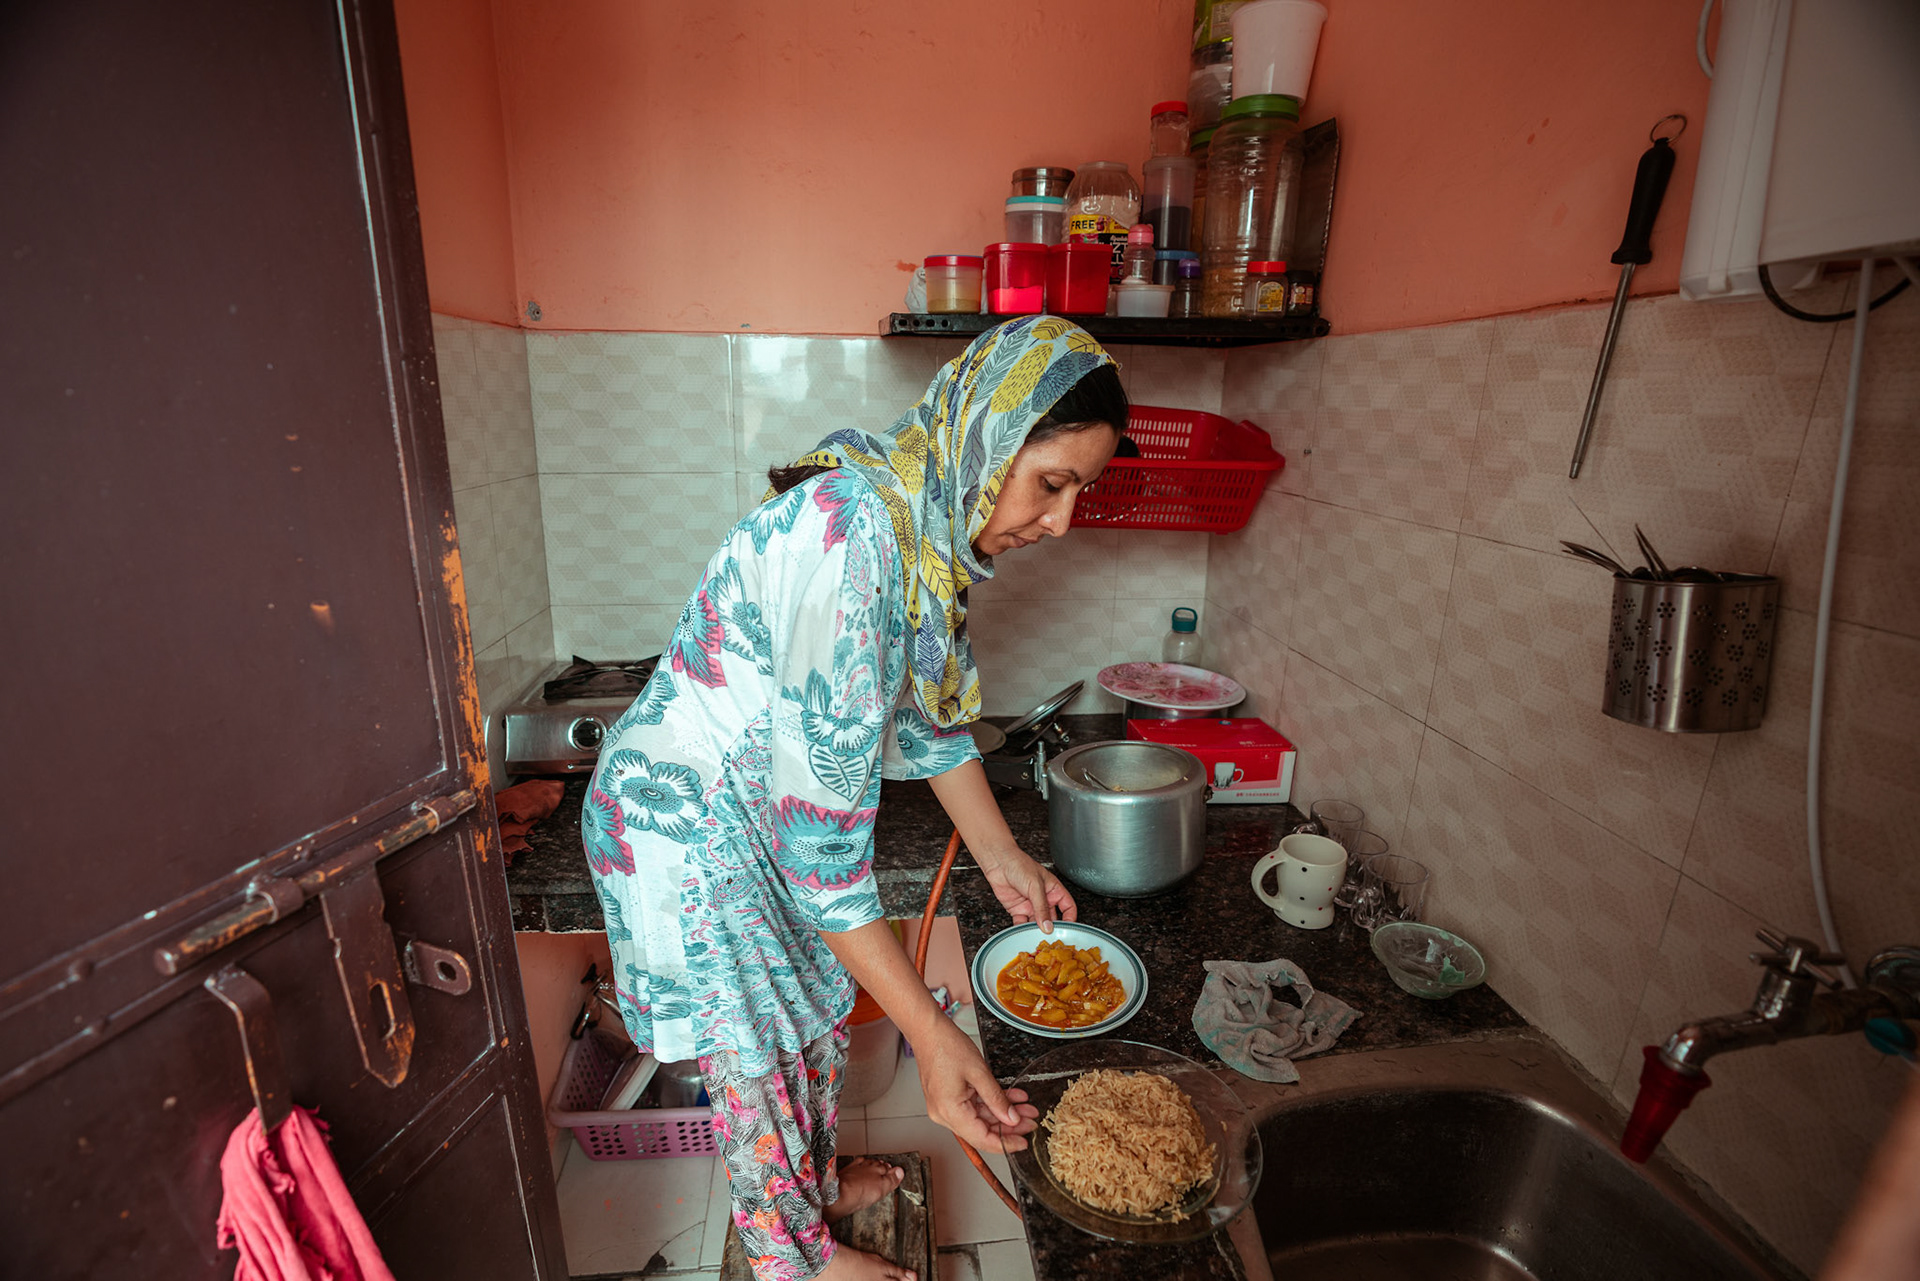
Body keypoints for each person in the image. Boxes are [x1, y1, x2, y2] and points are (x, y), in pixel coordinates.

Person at [581, 316, 1128, 1281]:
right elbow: (822, 865)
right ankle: (793, 1259)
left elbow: (929, 716)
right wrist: (936, 1038)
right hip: (700, 833)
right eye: (1052, 482)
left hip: (763, 827)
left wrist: (1002, 856)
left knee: (808, 1023)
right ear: (989, 440)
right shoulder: (857, 539)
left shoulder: (922, 526)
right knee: (758, 1061)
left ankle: (813, 1186)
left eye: (1081, 489)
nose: (1061, 522)